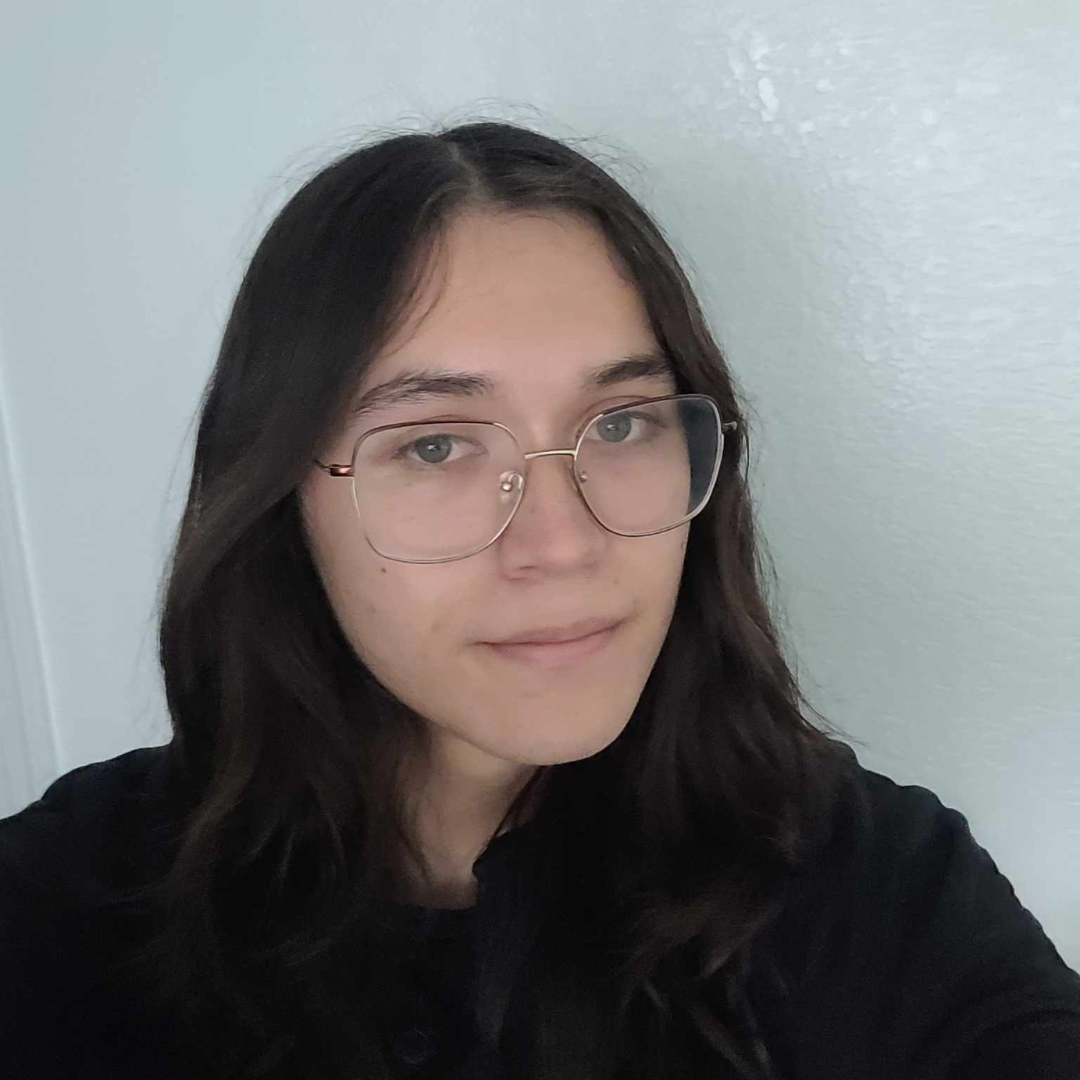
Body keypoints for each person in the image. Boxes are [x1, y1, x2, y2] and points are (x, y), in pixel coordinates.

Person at [1, 119, 1078, 1080]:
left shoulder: (872, 881)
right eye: (434, 444)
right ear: (284, 498)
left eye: (620, 424)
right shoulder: (66, 904)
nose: (563, 544)